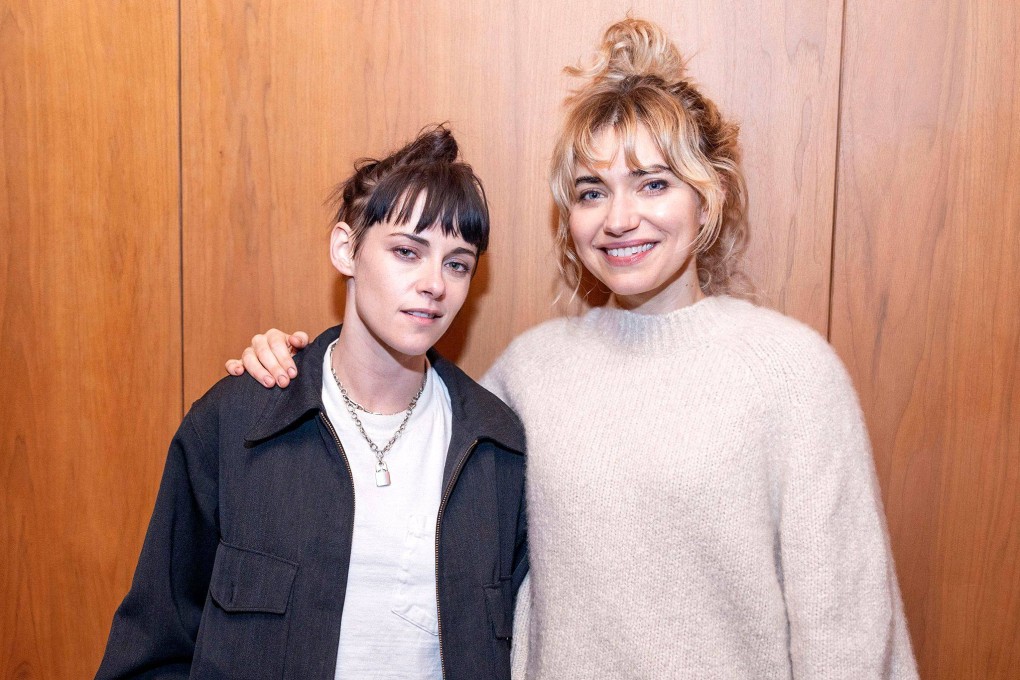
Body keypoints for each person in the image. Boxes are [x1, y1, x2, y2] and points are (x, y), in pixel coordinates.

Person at [229, 19, 918, 679]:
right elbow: (395, 445)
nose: (620, 218)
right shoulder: (525, 376)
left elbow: (850, 633)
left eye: (653, 183)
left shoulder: (794, 374)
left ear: (707, 201)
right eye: (593, 192)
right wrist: (293, 364)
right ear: (570, 217)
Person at [98, 125, 527, 680]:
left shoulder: (496, 447)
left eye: (457, 263)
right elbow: (153, 647)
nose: (434, 284)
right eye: (406, 251)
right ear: (347, 249)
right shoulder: (240, 421)